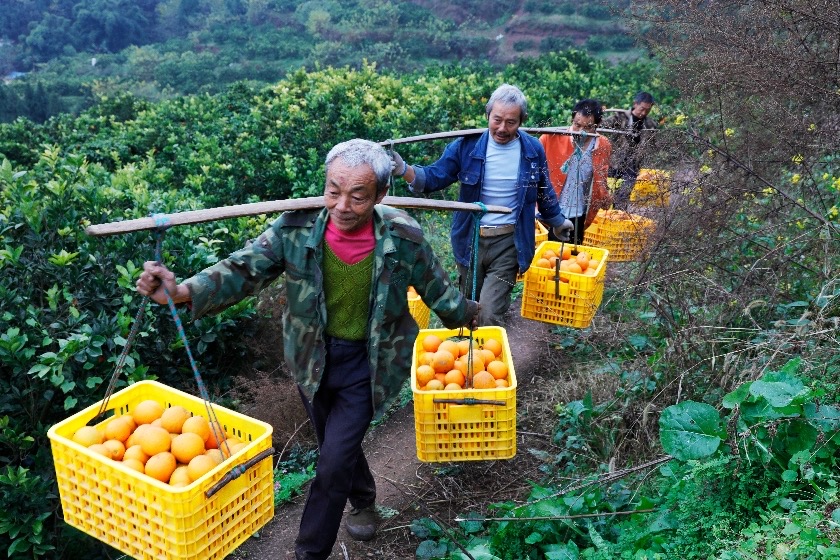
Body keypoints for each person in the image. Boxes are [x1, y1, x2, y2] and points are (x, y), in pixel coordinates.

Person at [135, 139, 480, 560]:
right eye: (333, 191)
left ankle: (308, 552)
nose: (342, 205)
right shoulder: (295, 230)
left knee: (333, 461)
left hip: (371, 361)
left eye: (358, 196)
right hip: (311, 358)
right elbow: (242, 269)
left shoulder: (402, 237)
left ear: (380, 195)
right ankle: (366, 498)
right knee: (335, 445)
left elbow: (436, 287)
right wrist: (184, 290)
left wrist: (468, 314)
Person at [390, 83, 573, 327]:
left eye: (511, 122)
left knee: (489, 315)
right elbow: (435, 176)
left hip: (510, 241)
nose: (502, 128)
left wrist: (557, 221)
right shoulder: (467, 146)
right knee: (467, 310)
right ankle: (466, 356)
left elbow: (543, 188)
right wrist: (404, 169)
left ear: (521, 121)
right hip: (471, 239)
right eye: (497, 119)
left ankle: (488, 357)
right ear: (487, 115)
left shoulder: (532, 149)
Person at [539, 98, 613, 244]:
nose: (580, 132)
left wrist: (604, 197)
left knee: (571, 261)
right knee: (545, 258)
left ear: (597, 125)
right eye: (577, 125)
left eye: (588, 127)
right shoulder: (550, 138)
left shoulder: (602, 145)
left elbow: (601, 178)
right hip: (549, 212)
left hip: (579, 216)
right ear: (572, 120)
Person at [603, 91, 657, 210]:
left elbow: (654, 146)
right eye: (642, 109)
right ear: (635, 104)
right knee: (603, 195)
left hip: (632, 165)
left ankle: (617, 219)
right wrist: (598, 114)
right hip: (614, 162)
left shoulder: (650, 124)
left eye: (647, 110)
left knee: (623, 196)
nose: (643, 113)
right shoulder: (620, 116)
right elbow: (602, 125)